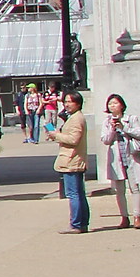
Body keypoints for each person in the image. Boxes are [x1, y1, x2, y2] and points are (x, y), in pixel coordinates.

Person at [101, 93, 140, 229]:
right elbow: (105, 140)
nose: (112, 106)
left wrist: (124, 127)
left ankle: (137, 216)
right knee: (119, 190)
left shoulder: (131, 119)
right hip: (116, 159)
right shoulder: (106, 122)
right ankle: (124, 217)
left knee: (134, 188)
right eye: (110, 104)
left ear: (122, 105)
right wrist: (112, 128)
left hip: (131, 156)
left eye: (115, 103)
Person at [53, 90, 91, 233]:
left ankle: (76, 224)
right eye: (65, 102)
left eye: (70, 102)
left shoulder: (76, 119)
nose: (66, 104)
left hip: (72, 160)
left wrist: (57, 135)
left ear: (78, 103)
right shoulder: (73, 117)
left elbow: (74, 139)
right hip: (72, 159)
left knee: (73, 194)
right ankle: (82, 223)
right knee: (79, 193)